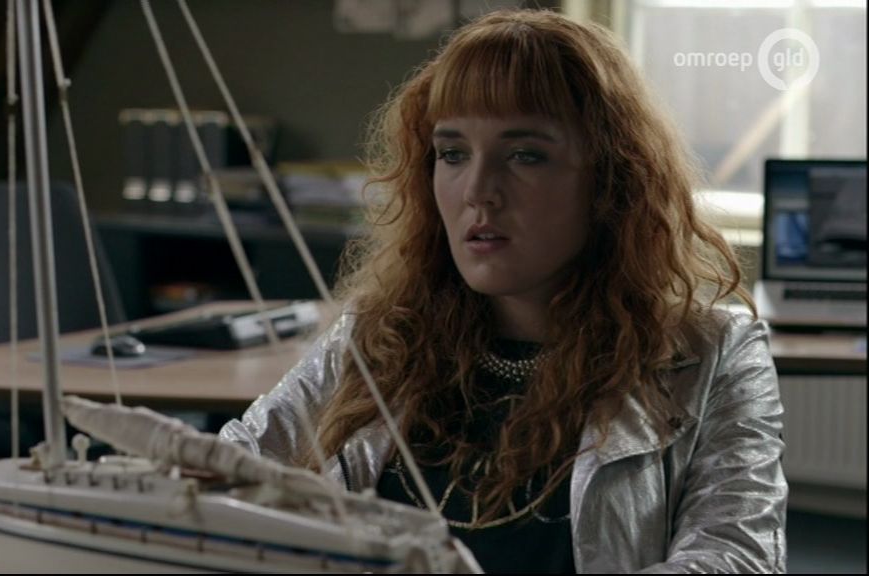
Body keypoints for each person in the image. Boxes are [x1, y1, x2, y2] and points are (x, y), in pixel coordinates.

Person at [220, 8, 787, 574]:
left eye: (524, 155)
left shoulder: (713, 353)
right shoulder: (377, 334)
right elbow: (227, 469)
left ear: (610, 178)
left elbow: (736, 557)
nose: (478, 191)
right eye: (452, 154)